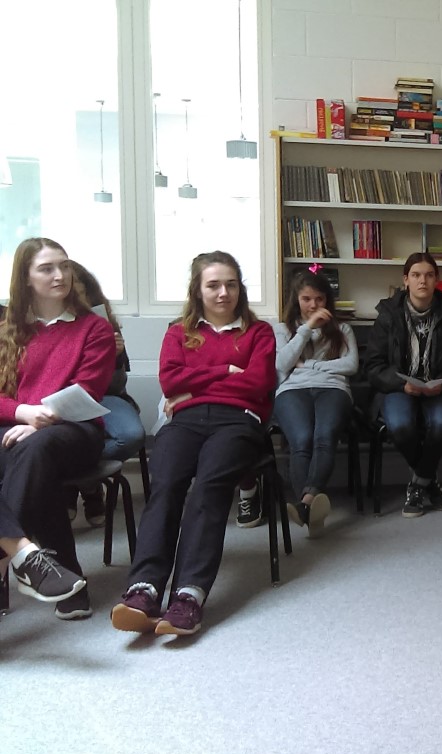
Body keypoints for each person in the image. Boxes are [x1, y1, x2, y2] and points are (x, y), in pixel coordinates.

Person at [111, 251, 276, 636]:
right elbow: (170, 381)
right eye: (213, 285)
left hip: (238, 420)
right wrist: (225, 371)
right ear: (197, 290)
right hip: (184, 420)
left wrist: (195, 383)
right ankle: (144, 589)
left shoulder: (259, 332)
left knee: (209, 487)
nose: (223, 293)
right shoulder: (178, 333)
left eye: (231, 284)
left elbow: (259, 383)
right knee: (166, 484)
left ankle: (188, 595)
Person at [0, 238, 116, 619]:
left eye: (64, 266)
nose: (60, 275)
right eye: (46, 268)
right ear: (25, 278)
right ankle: (62, 578)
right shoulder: (7, 329)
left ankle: (9, 560)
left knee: (37, 450)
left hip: (75, 429)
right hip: (15, 427)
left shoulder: (94, 328)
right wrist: (23, 413)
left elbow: (87, 390)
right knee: (36, 468)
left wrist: (41, 420)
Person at [362, 252, 442, 518]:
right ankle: (429, 481)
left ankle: (417, 485)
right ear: (406, 280)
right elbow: (373, 366)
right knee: (400, 425)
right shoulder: (388, 316)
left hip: (440, 389)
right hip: (399, 388)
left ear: (437, 279)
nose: (422, 281)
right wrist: (401, 384)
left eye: (428, 275)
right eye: (415, 275)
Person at [273, 269, 358, 538]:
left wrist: (308, 365)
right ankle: (311, 509)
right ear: (296, 300)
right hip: (292, 391)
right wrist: (307, 328)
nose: (313, 305)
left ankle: (305, 504)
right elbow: (282, 365)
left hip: (333, 389)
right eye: (306, 299)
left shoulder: (342, 329)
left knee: (324, 435)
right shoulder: (282, 330)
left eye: (319, 299)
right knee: (301, 439)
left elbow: (351, 365)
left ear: (327, 300)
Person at [67, 260, 146, 528]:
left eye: (79, 292)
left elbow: (117, 382)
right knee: (57, 436)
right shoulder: (45, 324)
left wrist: (115, 355)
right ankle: (84, 484)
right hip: (60, 397)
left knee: (131, 435)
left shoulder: (102, 321)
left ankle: (83, 481)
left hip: (106, 395)